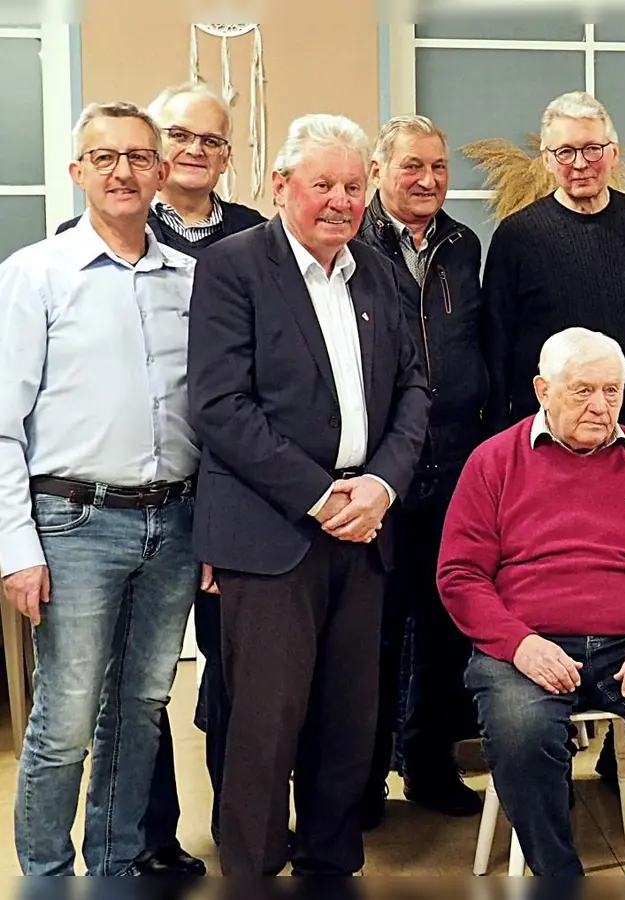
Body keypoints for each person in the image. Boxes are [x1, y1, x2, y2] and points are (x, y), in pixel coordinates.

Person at [188, 113, 430, 875]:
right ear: (280, 186)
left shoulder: (380, 271)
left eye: (354, 186)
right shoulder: (232, 266)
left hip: (366, 534)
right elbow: (220, 405)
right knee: (264, 725)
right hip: (271, 534)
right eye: (322, 184)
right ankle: (253, 873)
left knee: (345, 723)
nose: (340, 200)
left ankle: (332, 866)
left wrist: (383, 484)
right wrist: (323, 497)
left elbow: (416, 387)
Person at [54, 80, 265, 875]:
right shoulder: (103, 237)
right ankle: (148, 838)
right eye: (178, 137)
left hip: (227, 497)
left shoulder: (254, 236)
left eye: (212, 141)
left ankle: (243, 832)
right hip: (127, 501)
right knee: (134, 689)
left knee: (233, 677)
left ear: (228, 156)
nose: (193, 152)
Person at [437, 328, 625, 876]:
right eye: (583, 390)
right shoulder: (493, 461)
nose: (601, 406)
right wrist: (519, 644)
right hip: (526, 646)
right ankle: (557, 876)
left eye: (613, 391)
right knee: (522, 734)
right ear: (543, 390)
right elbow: (459, 575)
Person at [0, 102, 202, 876]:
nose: (124, 171)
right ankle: (46, 875)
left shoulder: (190, 279)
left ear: (160, 171)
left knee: (143, 711)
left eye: (139, 157)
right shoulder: (35, 276)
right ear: (78, 170)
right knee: (65, 720)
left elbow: (211, 414)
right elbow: (5, 424)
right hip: (74, 523)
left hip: (176, 523)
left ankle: (117, 870)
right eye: (105, 157)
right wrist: (18, 549)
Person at [355, 114, 488, 825]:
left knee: (444, 627)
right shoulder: (352, 240)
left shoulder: (462, 245)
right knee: (373, 633)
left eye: (437, 166)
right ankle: (364, 778)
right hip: (378, 472)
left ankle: (430, 764)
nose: (428, 179)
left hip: (456, 468)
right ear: (380, 171)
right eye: (412, 166)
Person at [483, 92, 625, 444]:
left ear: (613, 153)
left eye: (592, 149)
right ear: (547, 161)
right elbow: (496, 346)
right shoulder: (516, 237)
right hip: (546, 438)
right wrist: (501, 437)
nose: (580, 163)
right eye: (565, 152)